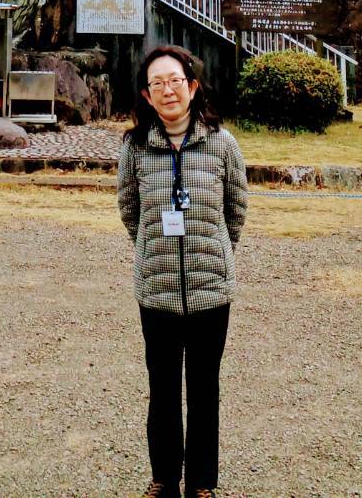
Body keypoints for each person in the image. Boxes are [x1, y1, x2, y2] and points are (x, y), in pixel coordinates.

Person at [117, 44, 248, 498]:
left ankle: (203, 484)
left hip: (212, 288)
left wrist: (211, 250)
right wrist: (155, 250)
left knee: (204, 388)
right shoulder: (135, 147)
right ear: (147, 95)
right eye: (158, 83)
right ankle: (165, 478)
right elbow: (129, 211)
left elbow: (236, 210)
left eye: (175, 80)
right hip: (156, 289)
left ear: (192, 87)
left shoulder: (222, 143)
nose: (168, 90)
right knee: (163, 388)